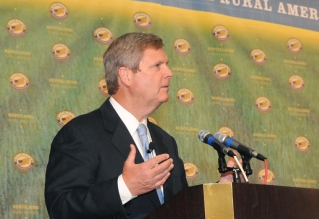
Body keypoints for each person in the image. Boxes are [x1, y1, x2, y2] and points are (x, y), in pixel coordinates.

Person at [45, 32, 239, 218]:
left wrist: (218, 192)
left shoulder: (165, 141)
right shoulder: (81, 133)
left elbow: (180, 209)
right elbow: (61, 208)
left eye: (167, 65)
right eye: (157, 66)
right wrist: (125, 187)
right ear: (126, 75)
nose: (169, 73)